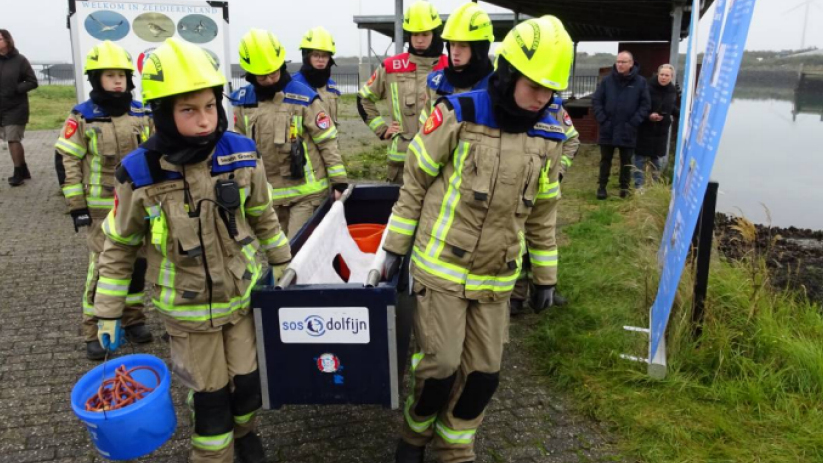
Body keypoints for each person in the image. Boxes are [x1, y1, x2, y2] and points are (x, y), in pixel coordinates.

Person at [382, 16, 573, 463]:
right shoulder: (458, 113)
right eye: (534, 87)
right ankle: (414, 437)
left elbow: (543, 212)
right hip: (441, 268)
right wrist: (393, 250)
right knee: (440, 367)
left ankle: (456, 446)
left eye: (550, 90)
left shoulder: (549, 132)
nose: (541, 100)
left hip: (497, 276)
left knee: (484, 375)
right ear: (508, 73)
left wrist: (545, 276)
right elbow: (414, 184)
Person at [93, 38, 291, 463]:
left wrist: (283, 263)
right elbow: (119, 244)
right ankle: (213, 456)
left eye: (209, 106)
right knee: (211, 400)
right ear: (163, 113)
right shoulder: (138, 172)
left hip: (240, 300)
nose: (204, 120)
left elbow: (263, 215)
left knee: (249, 385)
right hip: (187, 315)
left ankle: (247, 434)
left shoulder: (240, 153)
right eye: (188, 110)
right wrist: (107, 311)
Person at [54, 41, 154, 360]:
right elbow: (67, 160)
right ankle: (93, 329)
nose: (117, 81)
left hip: (138, 206)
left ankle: (133, 319)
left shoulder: (142, 112)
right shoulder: (81, 116)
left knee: (138, 266)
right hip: (100, 210)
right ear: (96, 79)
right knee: (103, 271)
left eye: (122, 75)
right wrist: (77, 208)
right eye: (110, 75)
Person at [231, 29, 347, 237]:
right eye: (263, 75)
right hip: (268, 196)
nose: (270, 79)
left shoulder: (302, 96)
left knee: (298, 251)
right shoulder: (243, 102)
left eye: (274, 72)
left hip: (307, 194)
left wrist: (339, 182)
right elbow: (240, 148)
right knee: (280, 255)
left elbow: (327, 140)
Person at [357, 0, 448, 184]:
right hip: (401, 165)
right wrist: (382, 130)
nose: (419, 40)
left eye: (425, 34)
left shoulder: (449, 68)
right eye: (415, 34)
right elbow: (363, 99)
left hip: (440, 164)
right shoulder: (392, 66)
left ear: (434, 34)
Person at [592, 51, 650, 199]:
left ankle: (624, 188)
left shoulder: (640, 82)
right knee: (605, 160)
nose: (620, 64)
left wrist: (633, 123)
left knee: (626, 161)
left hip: (628, 129)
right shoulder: (607, 81)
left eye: (623, 62)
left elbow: (645, 105)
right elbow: (597, 101)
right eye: (618, 61)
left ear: (631, 64)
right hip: (608, 128)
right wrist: (603, 120)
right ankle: (601, 187)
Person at [425, 2, 494, 102]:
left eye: (463, 46)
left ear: (479, 50)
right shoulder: (435, 82)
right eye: (452, 44)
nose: (455, 52)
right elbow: (426, 117)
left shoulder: (496, 88)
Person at [0, 29, 38, 186]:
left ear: (7, 41)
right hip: (1, 107)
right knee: (10, 138)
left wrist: (16, 89)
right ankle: (24, 169)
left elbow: (32, 81)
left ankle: (18, 173)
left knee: (13, 139)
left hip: (16, 107)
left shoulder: (20, 60)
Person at [634, 64, 679, 189]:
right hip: (645, 127)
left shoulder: (672, 90)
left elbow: (671, 107)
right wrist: (649, 115)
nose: (663, 77)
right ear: (657, 74)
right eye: (661, 74)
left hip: (661, 130)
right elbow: (639, 106)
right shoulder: (647, 87)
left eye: (666, 75)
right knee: (640, 158)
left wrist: (683, 115)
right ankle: (639, 186)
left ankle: (654, 186)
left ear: (671, 77)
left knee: (656, 160)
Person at [293, 27, 342, 124]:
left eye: (325, 55)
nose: (321, 59)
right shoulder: (293, 85)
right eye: (316, 55)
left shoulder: (332, 87)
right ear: (306, 56)